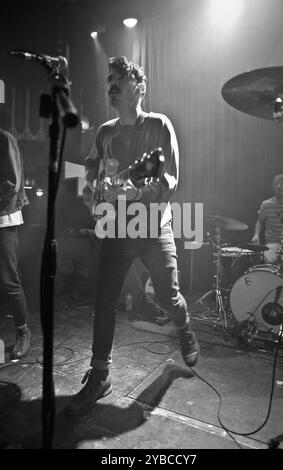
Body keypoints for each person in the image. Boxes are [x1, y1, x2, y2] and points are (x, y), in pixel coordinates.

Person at [65, 56, 200, 415]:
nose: (111, 84)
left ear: (138, 88)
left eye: (119, 80)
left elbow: (169, 178)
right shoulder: (105, 131)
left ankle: (183, 326)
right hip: (117, 228)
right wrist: (94, 194)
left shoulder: (158, 125)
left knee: (168, 297)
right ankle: (100, 374)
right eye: (109, 79)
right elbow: (90, 169)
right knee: (104, 299)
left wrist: (134, 193)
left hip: (154, 225)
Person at [0, 92, 31, 360]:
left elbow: (11, 182)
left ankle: (23, 330)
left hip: (4, 217)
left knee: (9, 278)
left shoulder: (4, 138)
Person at [251, 173, 283, 265]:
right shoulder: (266, 204)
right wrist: (256, 235)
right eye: (276, 183)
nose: (278, 186)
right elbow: (260, 221)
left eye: (282, 184)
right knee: (270, 261)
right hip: (273, 243)